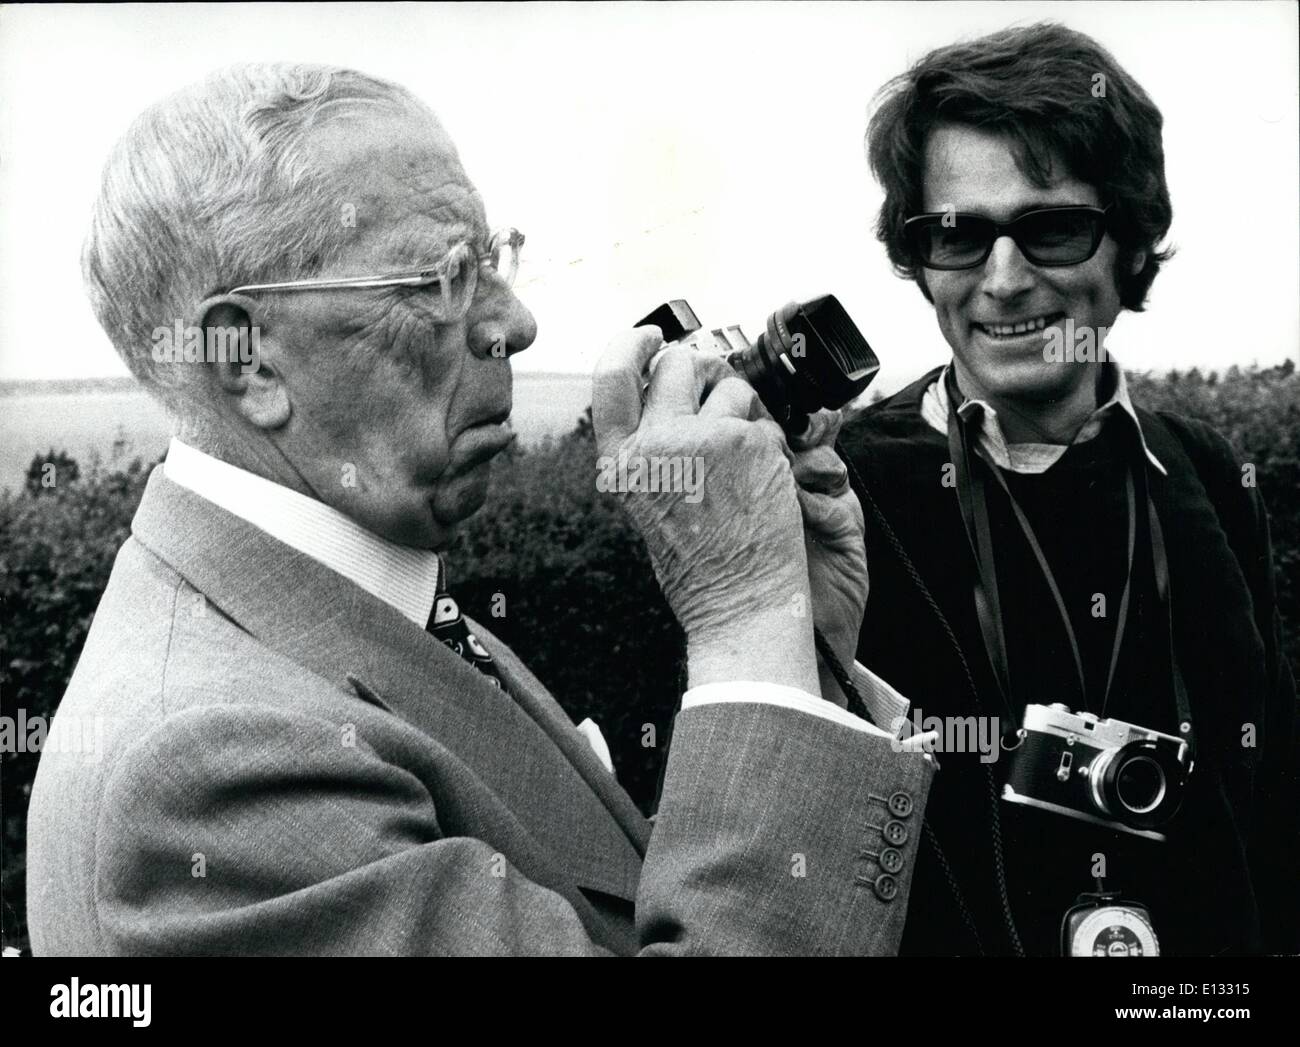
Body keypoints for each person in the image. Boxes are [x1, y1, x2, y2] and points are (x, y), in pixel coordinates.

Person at [26, 63, 932, 956]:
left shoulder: (353, 594)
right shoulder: (208, 772)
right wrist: (742, 613)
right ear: (248, 361)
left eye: (491, 262)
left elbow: (590, 903)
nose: (518, 321)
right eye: (438, 279)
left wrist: (795, 653)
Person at [841, 22, 1297, 956]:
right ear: (916, 257)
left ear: (1129, 240)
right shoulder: (845, 487)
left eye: (1050, 227)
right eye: (957, 236)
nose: (1003, 281)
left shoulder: (1203, 468)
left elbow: (1273, 789)